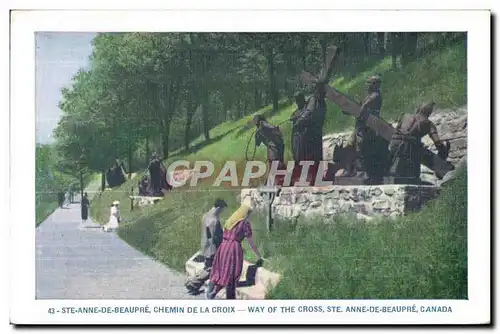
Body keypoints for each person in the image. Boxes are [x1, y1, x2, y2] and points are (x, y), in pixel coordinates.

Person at [206, 198, 263, 300]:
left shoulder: (230, 221)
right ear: (246, 214)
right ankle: (229, 298)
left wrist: (236, 243)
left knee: (220, 270)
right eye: (249, 213)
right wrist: (259, 256)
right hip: (233, 251)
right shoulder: (245, 224)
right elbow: (251, 243)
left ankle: (211, 291)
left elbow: (227, 235)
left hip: (223, 248)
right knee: (231, 274)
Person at [388, 102, 449, 183]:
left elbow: (396, 130)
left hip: (394, 143)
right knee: (422, 153)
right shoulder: (428, 123)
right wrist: (443, 150)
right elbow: (437, 142)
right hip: (409, 148)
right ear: (429, 112)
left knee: (417, 148)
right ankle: (442, 170)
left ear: (419, 108)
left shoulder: (405, 115)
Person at [350, 74, 389, 184]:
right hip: (364, 126)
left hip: (370, 127)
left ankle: (373, 176)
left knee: (367, 150)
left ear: (375, 85)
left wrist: (358, 111)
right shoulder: (369, 96)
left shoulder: (375, 95)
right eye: (367, 83)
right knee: (363, 151)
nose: (367, 85)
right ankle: (369, 174)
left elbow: (364, 107)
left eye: (369, 83)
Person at [185, 199, 228, 295]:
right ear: (218, 208)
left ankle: (194, 283)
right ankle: (192, 283)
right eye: (222, 210)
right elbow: (216, 238)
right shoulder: (214, 220)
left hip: (205, 247)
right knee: (210, 270)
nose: (221, 212)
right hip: (212, 249)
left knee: (209, 268)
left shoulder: (205, 216)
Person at [290, 86, 327, 185]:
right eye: (297, 99)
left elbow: (309, 115)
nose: (298, 101)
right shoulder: (295, 113)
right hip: (300, 142)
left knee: (313, 160)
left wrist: (300, 120)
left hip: (310, 139)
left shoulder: (312, 105)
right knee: (302, 160)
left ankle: (315, 179)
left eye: (300, 98)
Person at [252, 114, 286, 185]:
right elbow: (257, 143)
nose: (254, 122)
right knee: (274, 163)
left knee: (275, 162)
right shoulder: (259, 129)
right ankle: (274, 181)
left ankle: (280, 180)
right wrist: (257, 135)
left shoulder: (262, 123)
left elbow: (273, 127)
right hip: (272, 147)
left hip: (275, 147)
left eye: (255, 120)